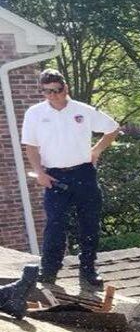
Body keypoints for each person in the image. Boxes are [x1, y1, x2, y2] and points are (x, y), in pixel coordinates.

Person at [21, 69, 120, 290]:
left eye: (56, 90)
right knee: (55, 225)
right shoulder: (35, 113)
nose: (53, 96)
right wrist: (39, 173)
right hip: (54, 177)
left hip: (83, 173)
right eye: (47, 92)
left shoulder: (83, 111)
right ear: (42, 92)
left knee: (89, 223)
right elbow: (31, 146)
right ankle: (48, 272)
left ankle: (88, 271)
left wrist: (96, 151)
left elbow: (113, 128)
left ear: (65, 88)